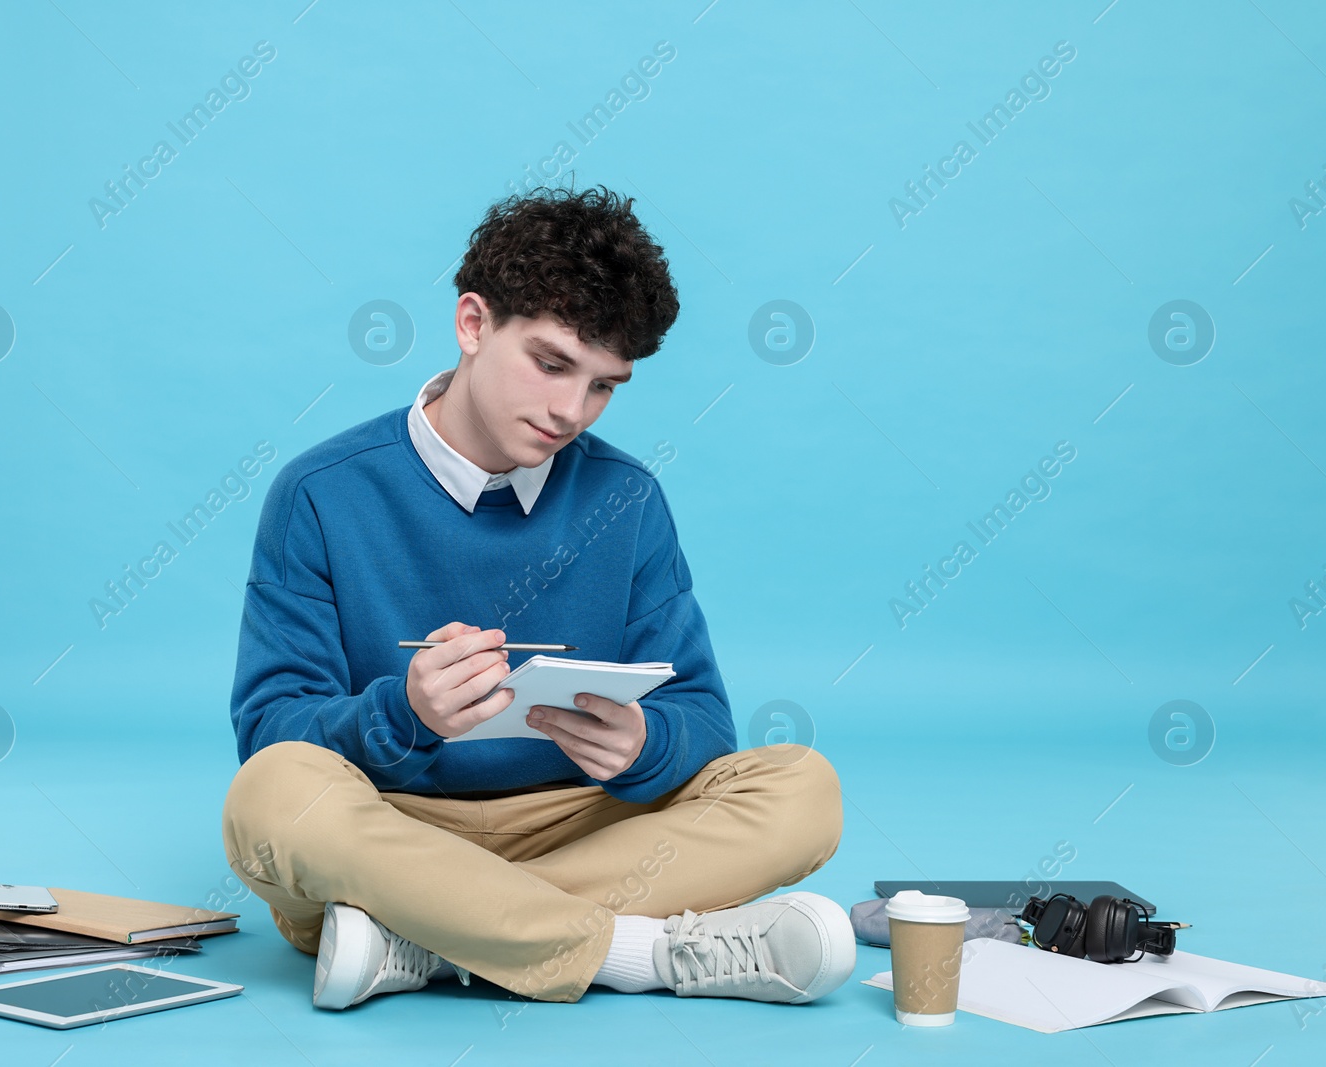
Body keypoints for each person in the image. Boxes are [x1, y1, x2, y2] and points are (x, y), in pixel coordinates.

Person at [221, 184, 854, 1010]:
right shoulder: (320, 492)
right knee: (268, 797)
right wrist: (402, 713)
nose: (571, 410)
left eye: (604, 386)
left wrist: (643, 745)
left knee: (803, 787)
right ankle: (639, 951)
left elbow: (703, 718)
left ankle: (427, 936)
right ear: (473, 324)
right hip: (393, 828)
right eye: (552, 364)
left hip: (576, 823)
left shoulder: (626, 497)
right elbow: (273, 729)